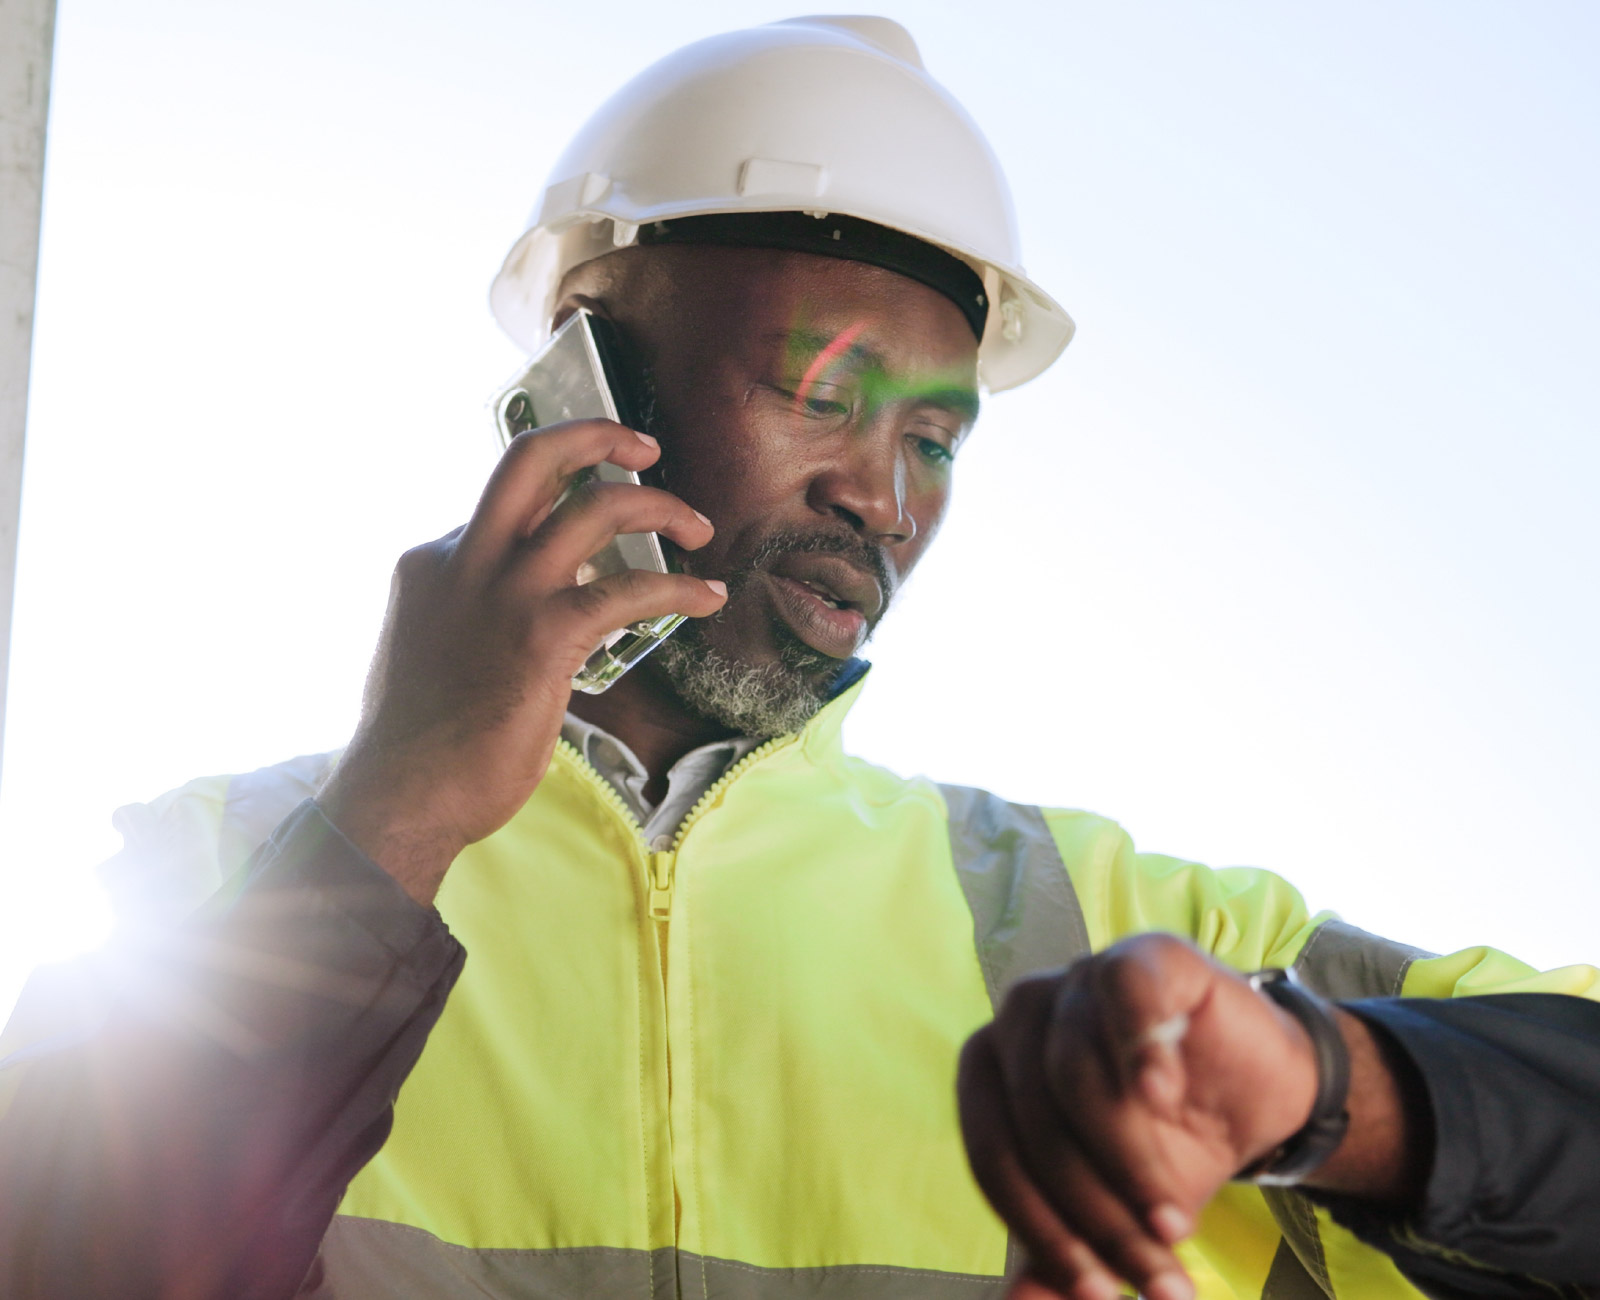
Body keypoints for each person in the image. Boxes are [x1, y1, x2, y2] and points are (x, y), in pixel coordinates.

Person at [2, 15, 1599, 1300]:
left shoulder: (1125, 932)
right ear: (581, 381)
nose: (884, 500)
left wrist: (1332, 1093)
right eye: (822, 395)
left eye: (936, 438)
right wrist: (393, 822)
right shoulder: (213, 877)